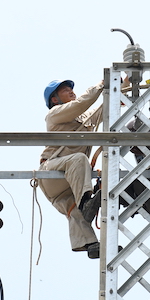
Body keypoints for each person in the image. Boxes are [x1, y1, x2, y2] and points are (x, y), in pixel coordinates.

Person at [39, 79, 104, 259]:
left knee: (75, 211)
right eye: (65, 90)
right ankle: (86, 202)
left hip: (68, 182)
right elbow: (81, 104)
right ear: (54, 100)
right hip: (51, 172)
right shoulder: (54, 114)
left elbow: (103, 109)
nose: (71, 91)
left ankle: (90, 244)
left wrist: (123, 85)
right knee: (79, 159)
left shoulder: (83, 120)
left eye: (71, 89)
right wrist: (101, 85)